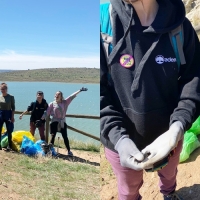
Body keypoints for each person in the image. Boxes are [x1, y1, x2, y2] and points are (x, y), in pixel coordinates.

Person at [100, 0, 200, 199]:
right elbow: (99, 92)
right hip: (119, 141)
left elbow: (194, 78)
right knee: (128, 189)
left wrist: (177, 127)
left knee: (169, 174)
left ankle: (168, 193)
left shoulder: (179, 25)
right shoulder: (102, 23)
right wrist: (119, 140)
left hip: (170, 138)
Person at [44, 87, 87, 157]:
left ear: (61, 96)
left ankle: (69, 151)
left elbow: (72, 96)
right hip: (54, 121)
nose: (56, 96)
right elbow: (47, 113)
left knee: (65, 137)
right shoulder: (51, 104)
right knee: (52, 136)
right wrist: (41, 118)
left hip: (62, 122)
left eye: (58, 95)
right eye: (56, 94)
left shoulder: (65, 102)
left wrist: (79, 90)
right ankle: (50, 151)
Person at [0, 83, 15, 151]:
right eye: (1, 89)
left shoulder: (11, 97)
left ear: (6, 89)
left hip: (8, 114)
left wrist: (12, 116)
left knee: (9, 130)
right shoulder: (0, 97)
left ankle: (10, 145)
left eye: (3, 89)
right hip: (1, 114)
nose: (2, 90)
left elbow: (13, 107)